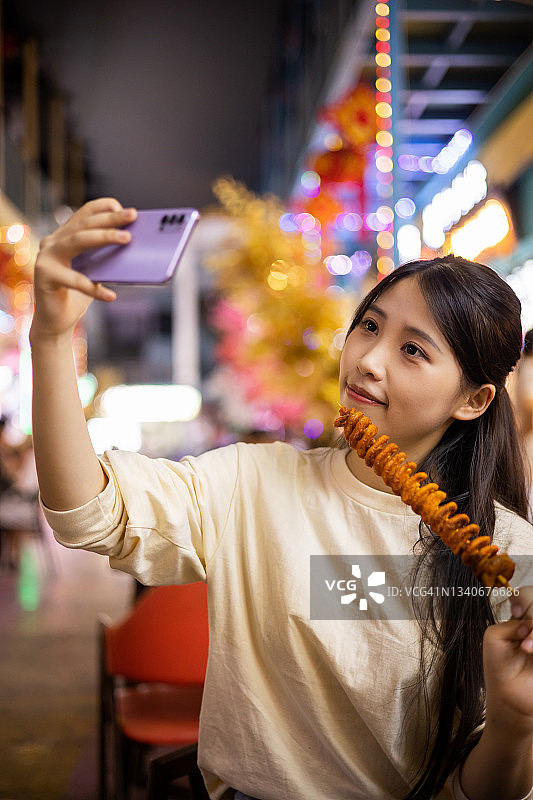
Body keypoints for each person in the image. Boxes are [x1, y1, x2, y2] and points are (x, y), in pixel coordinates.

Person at [30, 198, 533, 800]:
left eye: (413, 350)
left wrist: (513, 722)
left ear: (473, 400)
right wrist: (52, 339)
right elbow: (89, 513)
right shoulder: (252, 482)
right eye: (370, 326)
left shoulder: (510, 552)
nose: (367, 360)